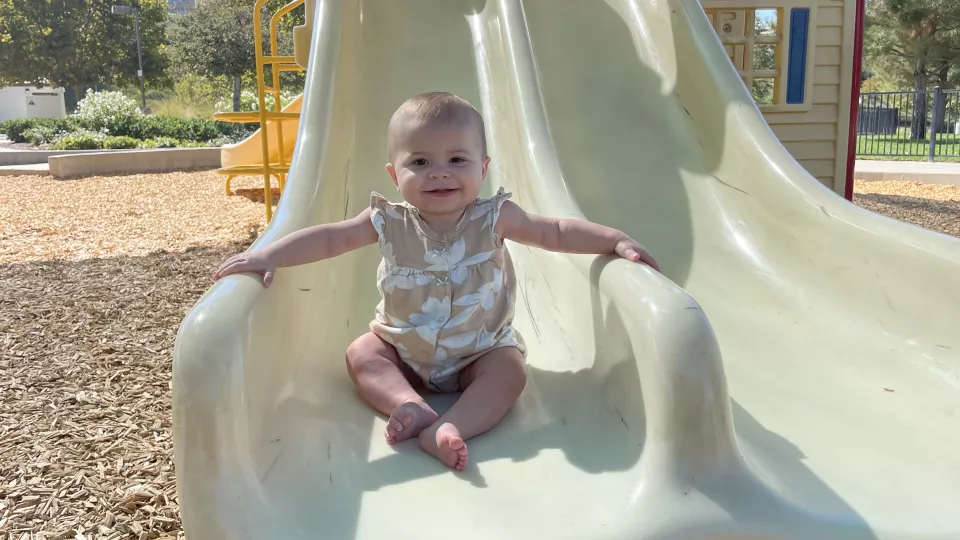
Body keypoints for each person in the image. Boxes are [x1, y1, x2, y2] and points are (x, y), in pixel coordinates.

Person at [214, 92, 659, 471]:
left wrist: (614, 240)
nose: (440, 172)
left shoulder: (494, 217)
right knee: (362, 354)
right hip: (402, 346)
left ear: (482, 169)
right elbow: (332, 239)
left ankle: (451, 427)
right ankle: (409, 404)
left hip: (480, 350)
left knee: (510, 372)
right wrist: (270, 253)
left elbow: (554, 232)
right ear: (394, 174)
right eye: (420, 161)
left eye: (457, 159)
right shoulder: (388, 221)